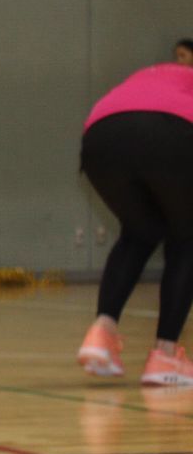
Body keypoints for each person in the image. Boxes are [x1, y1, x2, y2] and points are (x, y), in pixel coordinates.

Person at [75, 62, 193, 385]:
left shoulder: (159, 75)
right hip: (172, 131)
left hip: (101, 136)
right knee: (187, 238)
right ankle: (165, 355)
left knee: (140, 232)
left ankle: (102, 333)